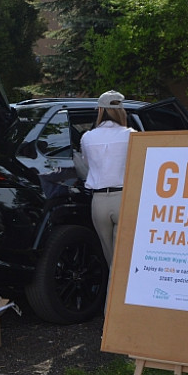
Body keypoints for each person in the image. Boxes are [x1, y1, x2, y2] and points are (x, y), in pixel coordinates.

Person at [80, 90, 136, 267]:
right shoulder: (131, 134)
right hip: (124, 198)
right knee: (125, 259)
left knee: (110, 258)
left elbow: (88, 164)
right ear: (121, 111)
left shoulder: (87, 137)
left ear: (99, 111)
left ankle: (111, 293)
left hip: (99, 201)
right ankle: (122, 293)